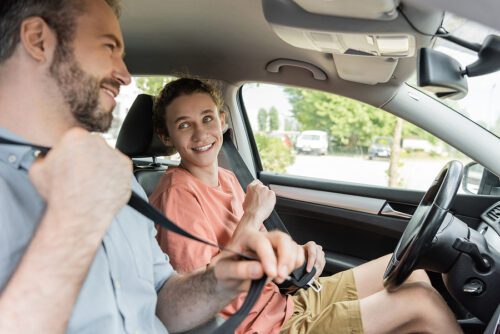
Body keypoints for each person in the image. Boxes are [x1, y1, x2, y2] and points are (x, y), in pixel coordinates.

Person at [0, 1, 306, 333]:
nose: (124, 74)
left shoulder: (118, 178)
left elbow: (161, 298)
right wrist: (73, 222)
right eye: (109, 47)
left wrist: (222, 277)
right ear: (37, 39)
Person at [150, 78, 464, 334]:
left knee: (413, 275)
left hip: (289, 302)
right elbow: (200, 297)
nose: (201, 132)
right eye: (184, 125)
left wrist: (300, 253)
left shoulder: (228, 177)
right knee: (422, 302)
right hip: (264, 326)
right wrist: (251, 215)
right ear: (166, 136)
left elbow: (262, 252)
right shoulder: (176, 194)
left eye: (207, 118)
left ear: (222, 120)